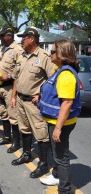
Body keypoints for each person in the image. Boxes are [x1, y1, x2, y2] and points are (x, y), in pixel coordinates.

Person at [11, 27, 56, 178]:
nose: (21, 40)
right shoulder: (22, 56)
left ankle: (43, 164)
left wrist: (41, 94)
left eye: (23, 37)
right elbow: (17, 77)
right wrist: (13, 95)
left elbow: (53, 80)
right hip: (20, 99)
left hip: (34, 102)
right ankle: (26, 154)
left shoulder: (44, 57)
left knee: (41, 134)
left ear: (31, 38)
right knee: (24, 129)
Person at [38, 39, 81, 194]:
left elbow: (67, 103)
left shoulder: (66, 74)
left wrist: (57, 128)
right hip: (55, 120)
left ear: (62, 54)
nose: (50, 54)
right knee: (58, 155)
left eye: (52, 51)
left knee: (61, 157)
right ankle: (56, 176)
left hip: (61, 122)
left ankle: (64, 189)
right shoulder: (60, 70)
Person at [0, 26, 23, 153]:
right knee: (3, 113)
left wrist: (8, 76)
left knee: (13, 116)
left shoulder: (17, 50)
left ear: (9, 35)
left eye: (2, 35)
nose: (1, 38)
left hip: (10, 87)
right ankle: (6, 137)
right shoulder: (2, 49)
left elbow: (19, 70)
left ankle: (16, 142)